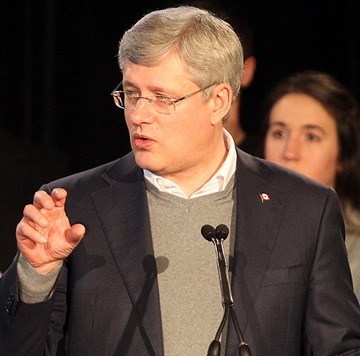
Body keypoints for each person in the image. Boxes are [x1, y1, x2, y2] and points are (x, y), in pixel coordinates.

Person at [1, 7, 360, 355]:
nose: (139, 115)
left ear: (218, 101)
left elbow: (337, 346)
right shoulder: (74, 207)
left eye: (161, 98)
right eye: (131, 94)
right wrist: (35, 277)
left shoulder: (305, 207)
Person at [262, 70, 360, 301]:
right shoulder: (231, 230)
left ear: (342, 157)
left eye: (311, 137)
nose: (290, 152)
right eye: (279, 133)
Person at [184, 0, 258, 153]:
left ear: (246, 70)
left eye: (213, 62)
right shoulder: (143, 159)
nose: (199, 75)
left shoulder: (271, 162)